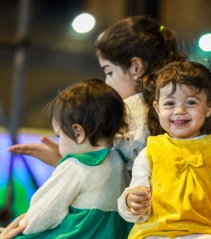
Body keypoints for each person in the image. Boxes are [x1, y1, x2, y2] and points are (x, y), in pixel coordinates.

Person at [7, 16, 187, 172]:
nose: (107, 82)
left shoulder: (125, 114)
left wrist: (64, 161)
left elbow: (111, 184)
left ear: (136, 67)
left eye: (109, 72)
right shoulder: (185, 107)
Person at [118, 61, 211, 239]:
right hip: (155, 231)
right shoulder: (151, 150)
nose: (179, 110)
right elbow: (135, 190)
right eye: (170, 103)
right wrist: (130, 201)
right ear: (157, 108)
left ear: (209, 107)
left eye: (191, 102)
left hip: (204, 231)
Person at [11, 79, 132, 239]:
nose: (59, 142)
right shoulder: (120, 163)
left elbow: (45, 211)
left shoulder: (76, 166)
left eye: (58, 135)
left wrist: (21, 227)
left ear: (78, 133)